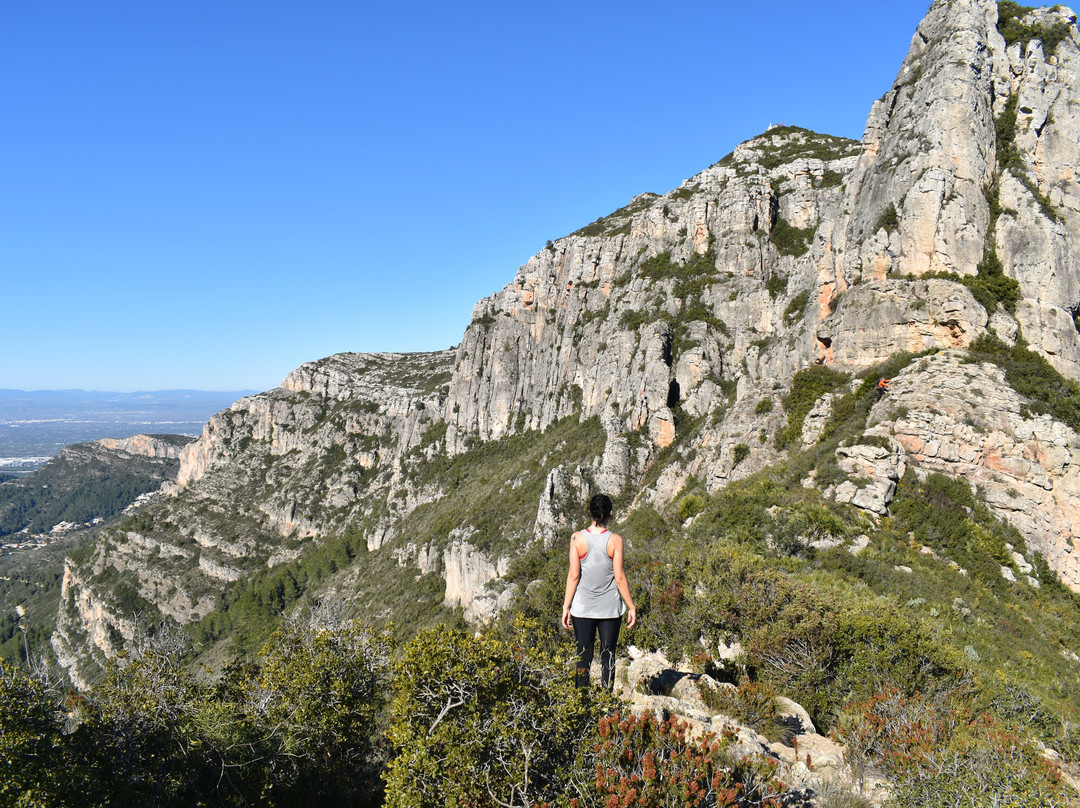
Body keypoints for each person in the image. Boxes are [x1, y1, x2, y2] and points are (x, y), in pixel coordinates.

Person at [561, 494, 636, 688]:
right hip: (609, 609)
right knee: (608, 654)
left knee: (583, 655)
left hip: (582, 608)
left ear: (589, 513)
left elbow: (573, 576)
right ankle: (607, 706)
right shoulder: (615, 540)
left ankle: (582, 703)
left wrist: (566, 606)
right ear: (610, 513)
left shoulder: (577, 538)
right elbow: (619, 577)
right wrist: (631, 606)